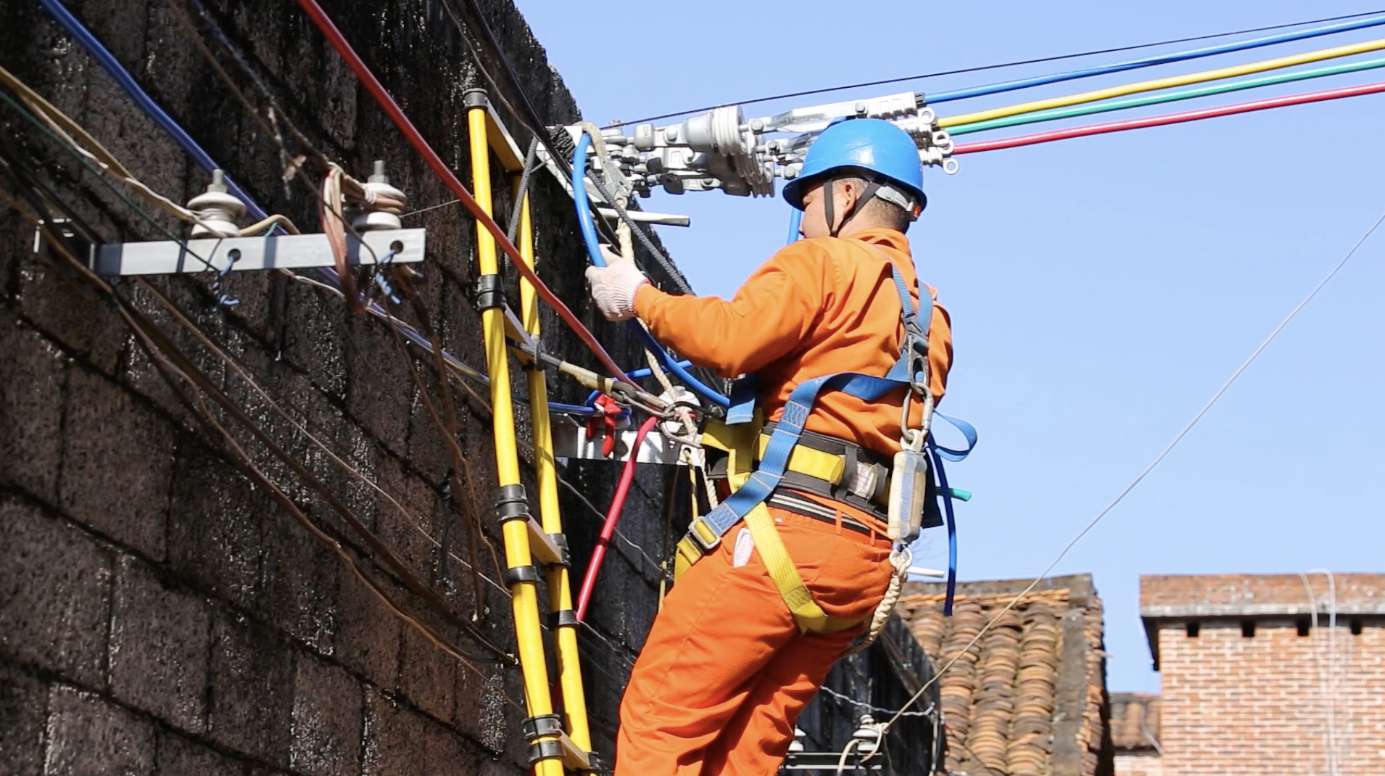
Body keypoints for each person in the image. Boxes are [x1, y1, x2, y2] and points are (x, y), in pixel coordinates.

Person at [584, 118, 953, 775]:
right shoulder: (930, 316)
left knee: (662, 719)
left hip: (787, 536)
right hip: (862, 564)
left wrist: (638, 296)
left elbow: (729, 341)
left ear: (846, 194)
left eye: (808, 201)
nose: (803, 221)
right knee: (749, 748)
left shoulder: (825, 263)